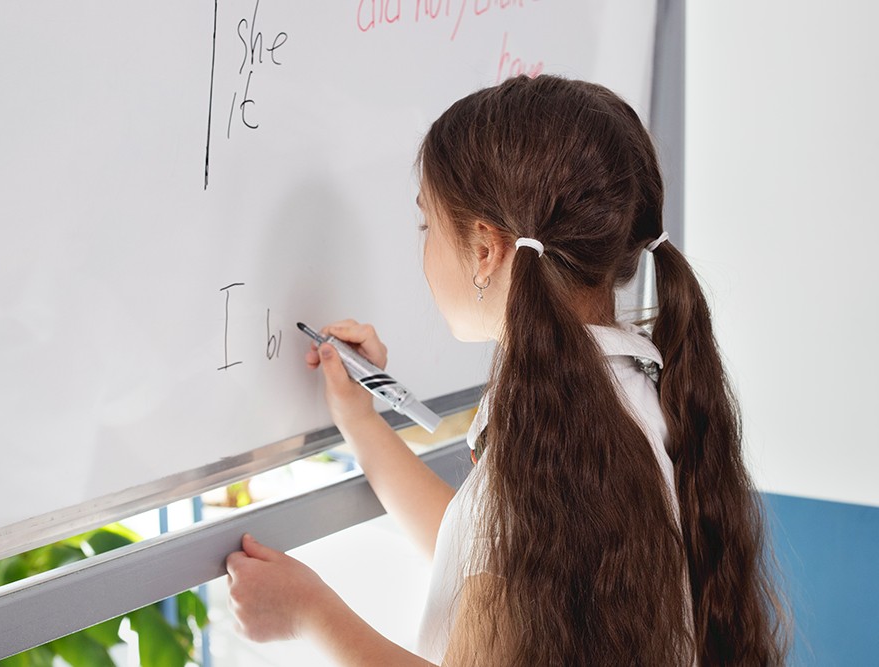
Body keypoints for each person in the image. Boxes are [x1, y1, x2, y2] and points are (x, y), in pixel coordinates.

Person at [225, 75, 789, 666]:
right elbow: (480, 554)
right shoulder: (631, 398)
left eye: (427, 226)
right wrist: (361, 422)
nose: (421, 251)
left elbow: (497, 553)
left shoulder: (553, 452)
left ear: (485, 251)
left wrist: (311, 613)